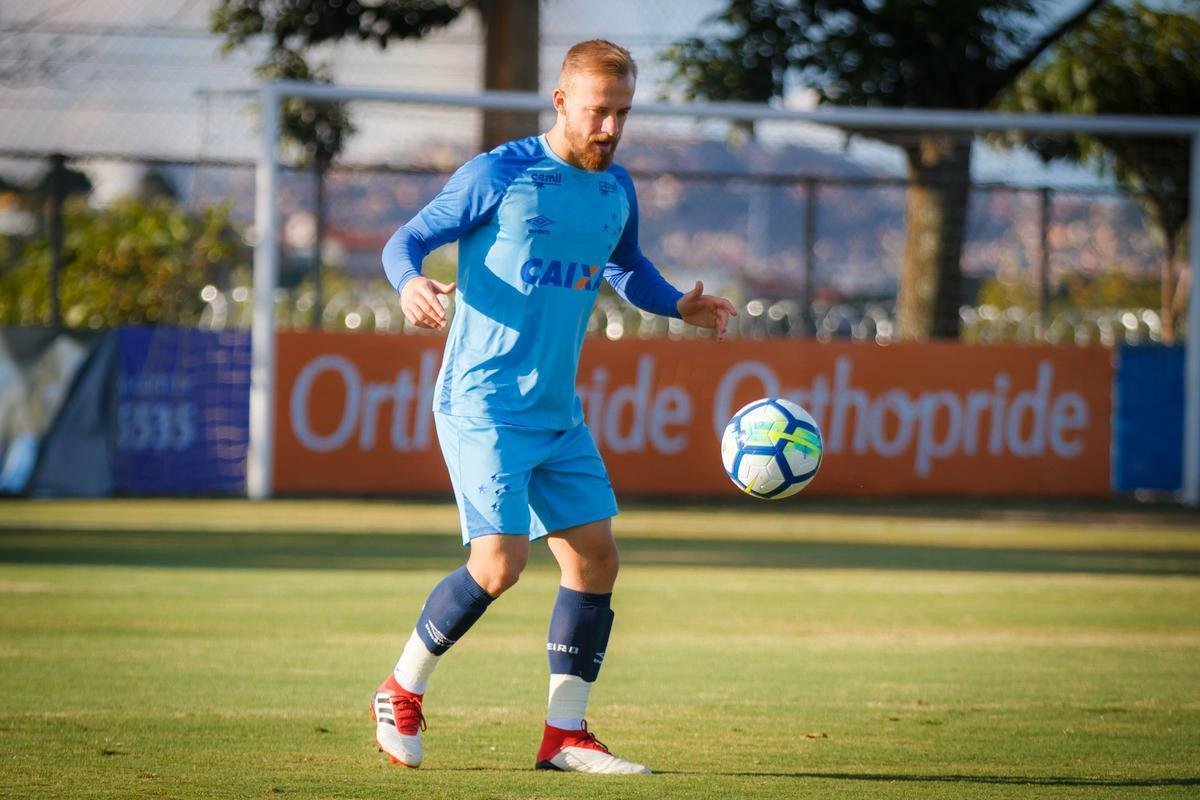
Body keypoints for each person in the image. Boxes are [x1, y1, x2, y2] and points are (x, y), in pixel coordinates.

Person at [375, 38, 736, 775]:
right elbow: (407, 239)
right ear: (562, 101)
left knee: (596, 557)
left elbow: (626, 268)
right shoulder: (500, 173)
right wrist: (410, 281)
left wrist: (676, 306)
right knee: (499, 565)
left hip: (556, 411)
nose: (610, 129)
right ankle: (399, 689)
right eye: (599, 112)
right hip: (482, 403)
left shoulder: (615, 190)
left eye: (623, 114)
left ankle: (564, 734)